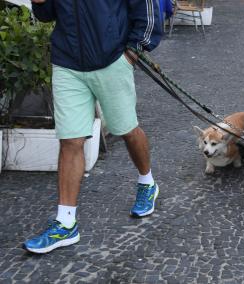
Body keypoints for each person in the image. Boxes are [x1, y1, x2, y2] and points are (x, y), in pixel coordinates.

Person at [24, 0, 163, 254]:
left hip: (112, 60)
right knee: (70, 140)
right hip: (68, 64)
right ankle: (66, 223)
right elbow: (46, 15)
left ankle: (147, 182)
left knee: (127, 130)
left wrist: (133, 51)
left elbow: (148, 8)